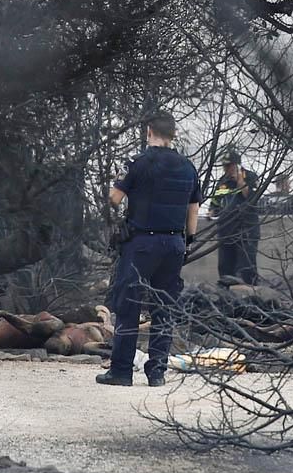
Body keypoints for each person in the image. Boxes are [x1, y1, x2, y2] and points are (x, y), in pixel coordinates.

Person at [97, 112, 202, 387]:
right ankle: (157, 372)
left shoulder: (136, 163)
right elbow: (194, 210)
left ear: (148, 131)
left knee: (129, 304)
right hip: (175, 244)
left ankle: (121, 371)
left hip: (142, 243)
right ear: (173, 134)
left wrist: (111, 188)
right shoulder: (188, 167)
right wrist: (188, 241)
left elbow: (115, 199)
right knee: (164, 307)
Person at [209, 148, 261, 283]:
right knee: (225, 267)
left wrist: (240, 182)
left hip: (246, 231)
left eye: (229, 165)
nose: (226, 169)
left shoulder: (250, 177)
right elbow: (215, 202)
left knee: (245, 268)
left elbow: (251, 199)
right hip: (226, 231)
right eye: (224, 166)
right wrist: (212, 211)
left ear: (237, 165)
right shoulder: (222, 182)